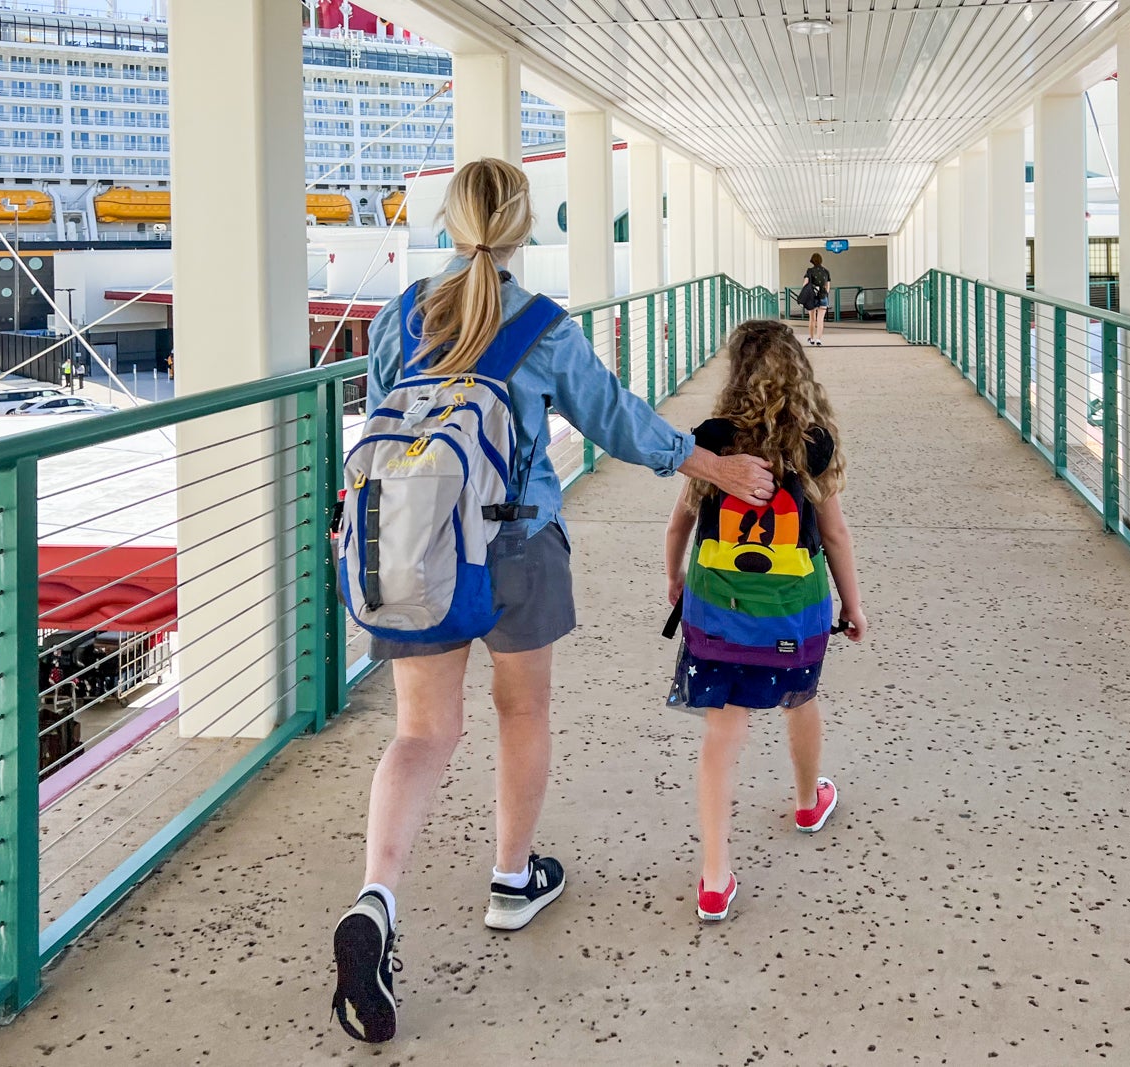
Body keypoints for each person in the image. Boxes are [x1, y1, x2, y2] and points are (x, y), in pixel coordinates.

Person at [331, 157, 776, 1045]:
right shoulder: (542, 326)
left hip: (416, 549)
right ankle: (510, 878)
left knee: (420, 733)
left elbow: (385, 429)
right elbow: (615, 418)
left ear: (450, 223)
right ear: (524, 228)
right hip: (517, 543)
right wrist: (715, 464)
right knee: (521, 709)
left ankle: (376, 899)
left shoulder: (398, 314)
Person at [663, 319, 867, 923]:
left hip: (717, 607)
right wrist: (852, 604)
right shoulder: (813, 440)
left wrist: (675, 578)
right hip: (791, 611)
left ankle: (714, 877)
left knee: (722, 733)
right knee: (800, 700)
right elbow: (833, 534)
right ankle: (808, 801)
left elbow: (679, 524)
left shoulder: (711, 440)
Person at [802, 253, 832, 347]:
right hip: (823, 296)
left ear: (812, 260)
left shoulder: (809, 271)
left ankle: (811, 338)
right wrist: (825, 294)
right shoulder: (826, 271)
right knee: (820, 320)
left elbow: (805, 283)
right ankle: (818, 339)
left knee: (812, 319)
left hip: (812, 297)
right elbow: (828, 286)